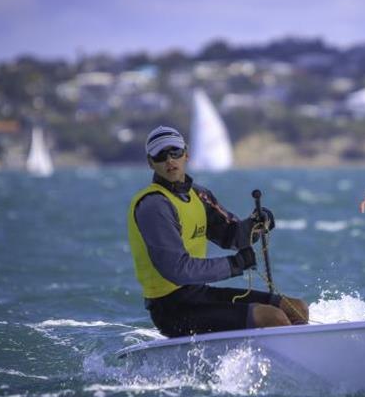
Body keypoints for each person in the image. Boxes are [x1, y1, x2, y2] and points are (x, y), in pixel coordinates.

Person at [127, 125, 309, 338]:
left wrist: (255, 224)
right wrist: (235, 264)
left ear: (186, 153)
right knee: (272, 318)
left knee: (296, 308)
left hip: (200, 295)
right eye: (160, 155)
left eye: (174, 152)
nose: (169, 160)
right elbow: (176, 270)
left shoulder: (199, 195)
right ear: (150, 162)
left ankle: (304, 362)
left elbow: (232, 236)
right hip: (171, 310)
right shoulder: (154, 206)